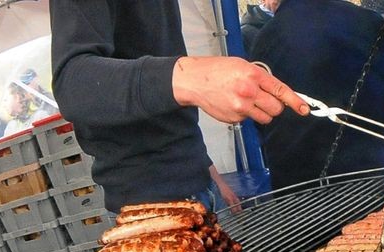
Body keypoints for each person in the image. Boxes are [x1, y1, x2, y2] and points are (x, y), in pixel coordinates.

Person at [51, 0, 309, 211]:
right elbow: (71, 82)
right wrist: (193, 76)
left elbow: (163, 102)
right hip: (147, 203)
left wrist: (206, 169)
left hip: (199, 181)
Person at [249, 0, 384, 189]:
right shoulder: (362, 22)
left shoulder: (264, 37)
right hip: (365, 179)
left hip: (290, 188)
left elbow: (258, 118)